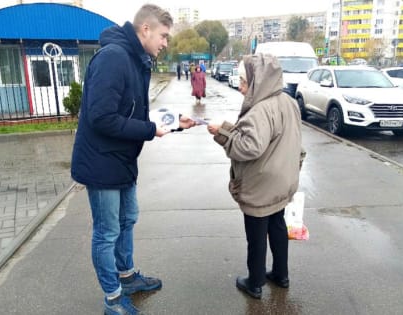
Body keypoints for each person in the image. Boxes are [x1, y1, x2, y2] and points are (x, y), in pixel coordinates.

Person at [71, 4, 195, 315]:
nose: (166, 43)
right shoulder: (114, 58)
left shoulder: (135, 59)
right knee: (107, 232)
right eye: (164, 36)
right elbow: (101, 118)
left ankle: (126, 278)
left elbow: (132, 113)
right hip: (101, 163)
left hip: (121, 160)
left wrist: (173, 123)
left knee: (128, 220)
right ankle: (112, 299)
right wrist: (151, 130)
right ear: (145, 30)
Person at [207, 53, 303, 299]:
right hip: (283, 181)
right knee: (278, 226)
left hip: (261, 185)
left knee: (257, 235)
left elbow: (250, 147)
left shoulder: (259, 110)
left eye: (244, 82)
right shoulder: (288, 101)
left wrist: (222, 133)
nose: (240, 87)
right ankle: (281, 275)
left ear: (258, 81)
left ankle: (255, 282)